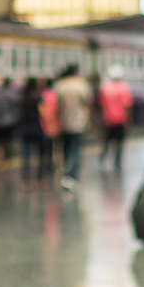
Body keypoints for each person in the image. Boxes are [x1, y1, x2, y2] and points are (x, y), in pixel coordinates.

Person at [54, 64, 93, 192]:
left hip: (63, 123)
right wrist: (89, 120)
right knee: (75, 150)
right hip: (79, 123)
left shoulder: (60, 86)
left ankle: (66, 173)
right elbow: (88, 104)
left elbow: (56, 106)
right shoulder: (82, 85)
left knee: (66, 148)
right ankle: (71, 177)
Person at [98, 65, 134, 171]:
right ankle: (117, 162)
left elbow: (101, 105)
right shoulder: (124, 88)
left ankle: (102, 158)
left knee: (106, 141)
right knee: (119, 142)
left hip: (107, 120)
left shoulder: (104, 88)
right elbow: (127, 106)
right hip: (120, 120)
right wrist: (128, 120)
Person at [18, 77, 45, 189]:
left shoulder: (23, 98)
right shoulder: (38, 97)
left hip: (25, 129)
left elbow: (20, 113)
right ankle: (39, 179)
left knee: (26, 155)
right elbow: (42, 113)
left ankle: (26, 180)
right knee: (40, 155)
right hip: (37, 128)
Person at [38, 77, 60, 180]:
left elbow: (41, 111)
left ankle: (44, 166)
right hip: (54, 124)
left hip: (44, 125)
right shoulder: (55, 96)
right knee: (52, 147)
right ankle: (51, 165)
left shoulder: (43, 95)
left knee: (44, 148)